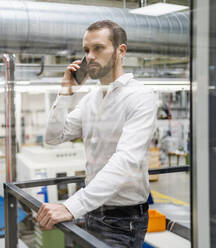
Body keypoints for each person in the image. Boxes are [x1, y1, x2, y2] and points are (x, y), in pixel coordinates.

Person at [36, 20, 158, 247]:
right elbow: (53, 137)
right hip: (91, 211)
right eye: (86, 50)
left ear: (121, 51)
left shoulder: (140, 97)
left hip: (123, 220)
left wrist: (70, 206)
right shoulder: (91, 100)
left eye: (98, 48)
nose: (89, 56)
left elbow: (125, 162)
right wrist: (65, 93)